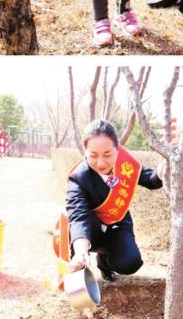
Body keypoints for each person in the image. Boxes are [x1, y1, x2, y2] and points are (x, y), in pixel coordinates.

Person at [65, 120, 163, 281]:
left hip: (117, 224)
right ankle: (78, 265)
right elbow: (78, 217)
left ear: (117, 150)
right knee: (72, 232)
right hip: (91, 229)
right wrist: (81, 250)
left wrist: (162, 171)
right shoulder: (78, 178)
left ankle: (104, 261)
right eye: (93, 155)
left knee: (130, 263)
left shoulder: (126, 164)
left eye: (107, 154)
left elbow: (151, 180)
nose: (101, 163)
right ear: (85, 151)